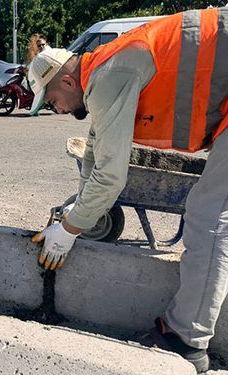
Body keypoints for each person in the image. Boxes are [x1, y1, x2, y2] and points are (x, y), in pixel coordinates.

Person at [28, 8, 228, 373]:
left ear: (68, 83)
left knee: (210, 215)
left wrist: (69, 231)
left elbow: (109, 176)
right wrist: (80, 215)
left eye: (52, 100)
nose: (55, 110)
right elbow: (94, 151)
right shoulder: (104, 69)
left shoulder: (109, 75)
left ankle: (185, 340)